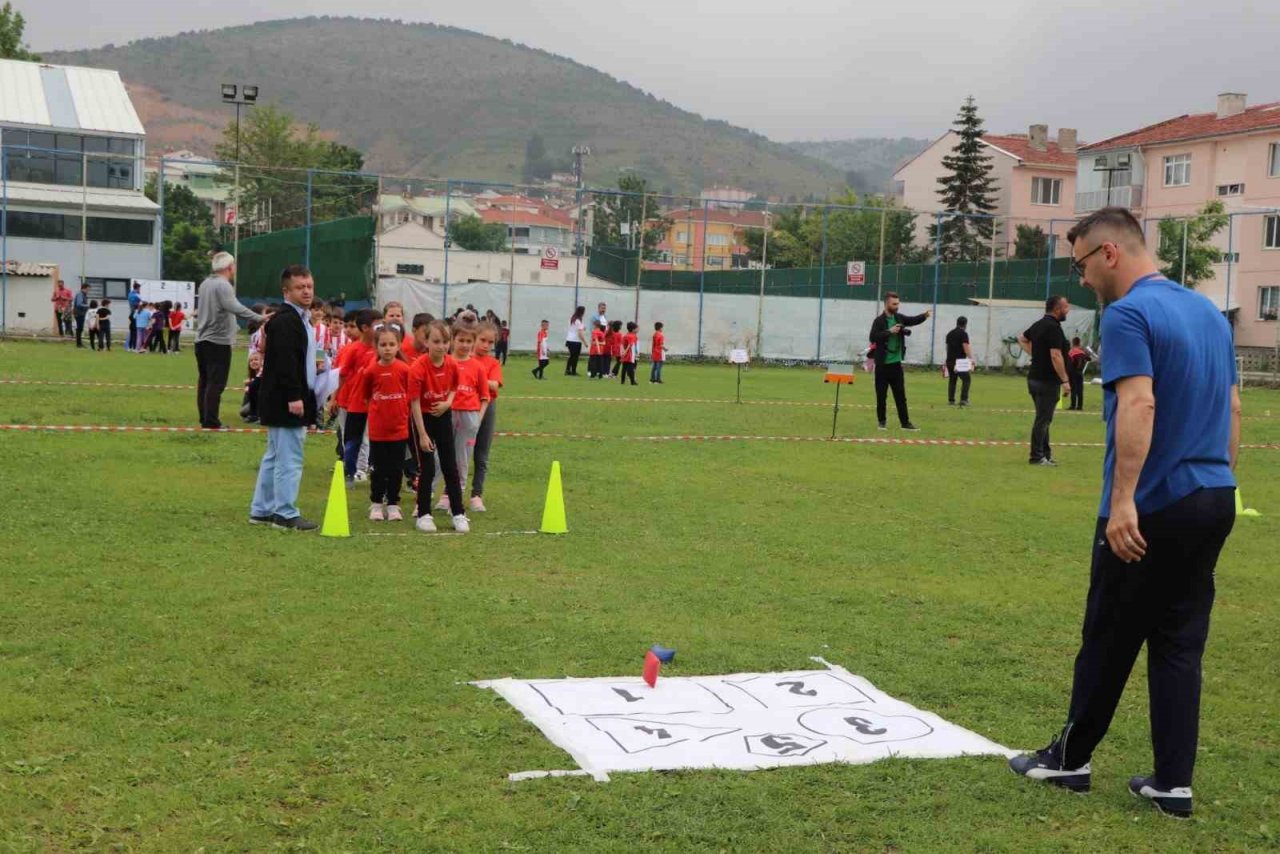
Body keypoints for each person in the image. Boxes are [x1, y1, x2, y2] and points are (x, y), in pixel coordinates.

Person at [1010, 206, 1241, 820]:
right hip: (1215, 497)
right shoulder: (1207, 313)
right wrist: (1222, 484)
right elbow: (1233, 411)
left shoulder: (1132, 313)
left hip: (1155, 504)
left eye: (1082, 263)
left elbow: (1139, 404)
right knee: (1177, 642)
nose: (1081, 278)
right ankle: (1173, 782)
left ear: (1110, 253)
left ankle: (1069, 760)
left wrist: (1122, 502)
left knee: (1108, 632)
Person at [249, 265, 320, 531]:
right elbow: (284, 363)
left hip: (282, 397)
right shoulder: (286, 321)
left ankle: (262, 509)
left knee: (275, 455)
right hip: (286, 399)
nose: (306, 291)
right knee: (289, 457)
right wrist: (294, 396)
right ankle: (285, 513)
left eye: (309, 286)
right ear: (286, 291)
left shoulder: (299, 319)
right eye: (300, 287)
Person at [409, 320, 468, 533]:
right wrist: (422, 434)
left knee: (450, 465)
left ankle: (459, 512)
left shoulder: (451, 364)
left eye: (445, 342)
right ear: (426, 342)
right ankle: (423, 514)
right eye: (436, 341)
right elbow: (414, 402)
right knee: (428, 468)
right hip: (422, 419)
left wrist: (448, 403)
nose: (441, 346)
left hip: (443, 416)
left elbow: (454, 387)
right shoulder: (418, 367)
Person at [195, 253, 263, 429]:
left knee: (204, 380)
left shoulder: (205, 284)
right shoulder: (223, 285)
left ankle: (205, 418)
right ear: (229, 267)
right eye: (234, 265)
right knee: (216, 382)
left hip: (201, 339)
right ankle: (211, 421)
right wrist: (259, 317)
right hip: (218, 341)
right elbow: (235, 307)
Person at [357, 325, 412, 522]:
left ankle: (394, 504)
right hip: (378, 431)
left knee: (397, 469)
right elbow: (365, 397)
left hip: (400, 430)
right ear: (376, 347)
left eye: (391, 344)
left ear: (398, 346)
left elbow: (411, 396)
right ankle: (376, 503)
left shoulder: (405, 370)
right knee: (379, 469)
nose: (387, 348)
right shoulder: (371, 371)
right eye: (383, 344)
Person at [433, 320, 489, 509]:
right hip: (445, 416)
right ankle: (426, 497)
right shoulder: (445, 363)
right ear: (452, 341)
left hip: (468, 417)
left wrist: (478, 420)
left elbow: (484, 397)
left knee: (462, 460)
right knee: (438, 458)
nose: (465, 345)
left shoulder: (478, 366)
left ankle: (454, 499)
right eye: (461, 340)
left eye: (468, 341)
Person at [1018, 295, 1072, 466]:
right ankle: (1036, 456)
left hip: (1034, 378)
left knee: (1044, 417)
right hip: (1047, 380)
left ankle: (1045, 455)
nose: (1067, 310)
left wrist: (1035, 354)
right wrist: (1065, 380)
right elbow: (1056, 355)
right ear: (1057, 309)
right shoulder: (1053, 328)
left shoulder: (1038, 324)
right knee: (1043, 419)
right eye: (1066, 307)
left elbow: (1022, 338)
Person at [867, 292, 930, 431]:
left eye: (898, 304)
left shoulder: (899, 318)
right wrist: (889, 331)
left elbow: (913, 320)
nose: (897, 306)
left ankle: (905, 423)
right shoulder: (879, 321)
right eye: (894, 304)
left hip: (896, 365)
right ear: (887, 304)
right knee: (881, 396)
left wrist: (924, 316)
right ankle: (882, 422)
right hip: (882, 366)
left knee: (901, 396)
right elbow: (873, 337)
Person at [336, 309, 381, 483]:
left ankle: (364, 468)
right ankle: (350, 470)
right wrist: (335, 398)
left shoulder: (381, 347)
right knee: (352, 438)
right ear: (365, 328)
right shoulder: (353, 349)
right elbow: (343, 374)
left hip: (374, 403)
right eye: (377, 325)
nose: (380, 328)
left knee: (369, 437)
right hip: (353, 402)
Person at [470, 322, 504, 512]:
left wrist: (476, 376)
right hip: (465, 406)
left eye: (490, 342)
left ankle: (476, 494)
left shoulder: (493, 363)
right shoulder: (465, 358)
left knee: (481, 454)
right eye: (482, 340)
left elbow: (495, 385)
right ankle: (449, 494)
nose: (486, 345)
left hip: (487, 407)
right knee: (459, 453)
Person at [945, 316, 975, 407]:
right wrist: (971, 359)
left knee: (952, 380)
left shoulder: (949, 333)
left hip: (950, 360)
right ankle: (964, 399)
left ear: (957, 323)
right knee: (966, 379)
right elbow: (965, 347)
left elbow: (947, 348)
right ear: (965, 324)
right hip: (960, 361)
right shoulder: (963, 334)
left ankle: (951, 400)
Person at [1067, 337, 1092, 410]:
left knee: (1073, 389)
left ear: (1073, 343)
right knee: (1080, 389)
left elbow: (1069, 364)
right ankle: (1080, 406)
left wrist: (1067, 373)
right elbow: (1089, 359)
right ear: (1079, 343)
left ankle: (1073, 406)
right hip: (1080, 373)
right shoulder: (1082, 352)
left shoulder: (1071, 352)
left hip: (1073, 372)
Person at [564, 306, 586, 375]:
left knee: (572, 356)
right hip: (575, 341)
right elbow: (580, 333)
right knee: (575, 357)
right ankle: (573, 371)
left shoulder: (572, 319)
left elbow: (575, 329)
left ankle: (568, 370)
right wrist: (585, 342)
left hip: (569, 339)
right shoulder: (578, 321)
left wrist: (582, 328)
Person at [73, 283, 90, 348]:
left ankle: (79, 343)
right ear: (84, 288)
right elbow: (79, 304)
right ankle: (79, 344)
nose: (88, 291)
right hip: (79, 313)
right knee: (79, 328)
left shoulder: (83, 295)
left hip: (81, 313)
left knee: (80, 328)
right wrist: (88, 306)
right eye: (88, 289)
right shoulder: (80, 294)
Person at [126, 283, 142, 350]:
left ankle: (129, 347)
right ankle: (134, 347)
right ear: (137, 288)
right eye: (139, 288)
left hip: (131, 313)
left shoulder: (130, 294)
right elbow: (141, 301)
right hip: (135, 314)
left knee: (131, 332)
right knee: (135, 333)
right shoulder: (137, 295)